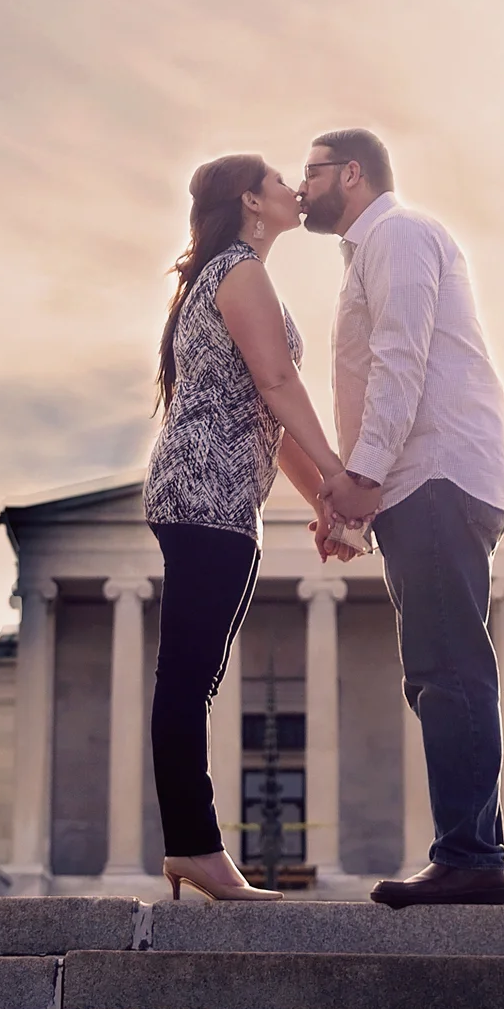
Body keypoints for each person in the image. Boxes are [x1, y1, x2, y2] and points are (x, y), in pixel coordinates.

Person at [301, 128, 504, 908]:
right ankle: (471, 851)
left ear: (352, 173)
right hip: (423, 476)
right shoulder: (372, 250)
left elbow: (403, 356)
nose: (302, 187)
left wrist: (361, 474)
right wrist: (357, 508)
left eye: (314, 171)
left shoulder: (395, 233)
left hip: (435, 472)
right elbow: (375, 375)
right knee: (439, 667)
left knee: (449, 666)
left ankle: (470, 856)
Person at [143, 152, 354, 901]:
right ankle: (196, 847)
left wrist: (325, 494)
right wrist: (340, 473)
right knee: (188, 679)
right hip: (206, 490)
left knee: (194, 678)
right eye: (275, 179)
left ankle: (194, 848)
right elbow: (277, 382)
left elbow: (271, 415)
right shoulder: (239, 269)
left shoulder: (236, 272)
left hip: (223, 497)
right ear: (249, 200)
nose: (290, 187)